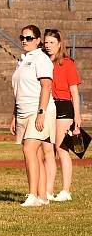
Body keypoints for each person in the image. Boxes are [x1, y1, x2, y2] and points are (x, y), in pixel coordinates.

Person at [10, 25, 56, 207]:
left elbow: (46, 86)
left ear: (37, 41)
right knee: (35, 154)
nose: (24, 40)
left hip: (38, 111)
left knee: (29, 150)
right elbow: (18, 91)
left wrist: (41, 113)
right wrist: (14, 115)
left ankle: (32, 195)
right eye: (22, 37)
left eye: (29, 38)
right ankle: (42, 196)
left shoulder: (41, 59)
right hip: (22, 111)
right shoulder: (22, 60)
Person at [41, 29, 82, 202]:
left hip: (64, 106)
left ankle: (65, 191)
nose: (48, 46)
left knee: (61, 149)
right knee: (47, 150)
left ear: (59, 44)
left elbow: (74, 91)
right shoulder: (42, 62)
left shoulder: (67, 63)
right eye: (46, 42)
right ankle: (48, 190)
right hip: (48, 105)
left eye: (52, 42)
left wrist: (78, 117)